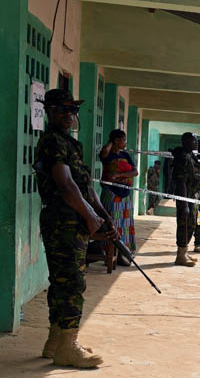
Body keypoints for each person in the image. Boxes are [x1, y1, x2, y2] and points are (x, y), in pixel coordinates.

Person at [35, 88, 118, 368]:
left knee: (62, 281)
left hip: (75, 220)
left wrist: (105, 217)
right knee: (71, 282)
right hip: (63, 221)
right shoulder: (52, 142)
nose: (69, 115)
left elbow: (86, 188)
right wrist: (90, 217)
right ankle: (68, 347)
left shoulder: (72, 144)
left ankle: (56, 342)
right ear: (49, 111)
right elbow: (66, 185)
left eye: (72, 110)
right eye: (62, 110)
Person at [99, 129, 139, 266]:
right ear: (116, 141)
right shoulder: (107, 155)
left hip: (125, 195)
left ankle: (122, 254)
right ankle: (109, 254)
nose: (125, 143)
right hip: (111, 193)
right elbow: (105, 151)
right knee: (112, 223)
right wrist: (112, 141)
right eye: (123, 140)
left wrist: (121, 176)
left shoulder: (125, 155)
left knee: (125, 225)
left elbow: (135, 172)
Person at [172, 132, 200, 267]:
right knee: (185, 225)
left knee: (192, 224)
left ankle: (184, 251)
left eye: (196, 140)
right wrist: (184, 204)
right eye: (193, 141)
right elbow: (181, 182)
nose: (196, 143)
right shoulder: (183, 158)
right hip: (186, 197)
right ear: (185, 142)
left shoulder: (191, 156)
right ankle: (180, 255)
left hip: (193, 197)